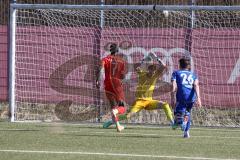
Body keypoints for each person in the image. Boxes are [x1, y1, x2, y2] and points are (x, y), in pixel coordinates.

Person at [103, 53, 174, 128]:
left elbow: (163, 66)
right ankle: (111, 121)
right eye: (151, 70)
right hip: (140, 101)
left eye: (154, 71)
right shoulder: (142, 73)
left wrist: (156, 57)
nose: (153, 72)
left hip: (149, 101)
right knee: (128, 116)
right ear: (148, 70)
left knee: (165, 104)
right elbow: (137, 67)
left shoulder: (155, 76)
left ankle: (173, 124)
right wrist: (143, 59)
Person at [96, 43, 126, 132]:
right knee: (122, 107)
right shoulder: (121, 61)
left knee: (113, 106)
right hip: (116, 84)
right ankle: (116, 114)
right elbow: (123, 76)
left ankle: (118, 126)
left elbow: (100, 69)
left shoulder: (105, 59)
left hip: (107, 84)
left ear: (110, 50)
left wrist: (97, 80)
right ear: (117, 50)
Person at [171, 57, 202, 138]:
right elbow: (196, 85)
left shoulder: (176, 73)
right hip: (192, 97)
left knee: (177, 112)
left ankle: (180, 122)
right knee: (188, 112)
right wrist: (198, 98)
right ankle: (186, 133)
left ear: (179, 65)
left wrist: (172, 97)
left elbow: (174, 86)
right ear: (188, 66)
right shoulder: (193, 75)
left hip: (182, 96)